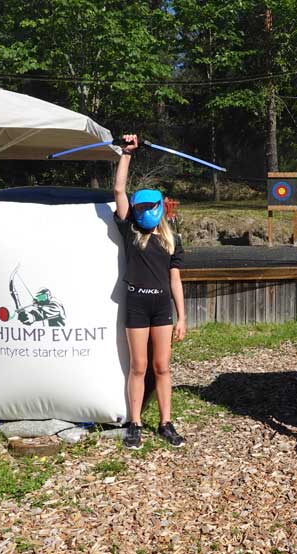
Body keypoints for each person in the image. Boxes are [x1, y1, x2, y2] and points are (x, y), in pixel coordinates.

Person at [114, 134, 187, 450]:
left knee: (162, 367)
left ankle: (166, 422)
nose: (142, 212)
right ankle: (135, 423)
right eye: (138, 207)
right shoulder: (129, 229)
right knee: (138, 367)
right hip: (136, 306)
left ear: (159, 207)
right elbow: (119, 190)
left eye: (148, 207)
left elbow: (175, 280)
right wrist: (127, 153)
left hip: (161, 309)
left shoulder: (172, 239)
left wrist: (181, 317)